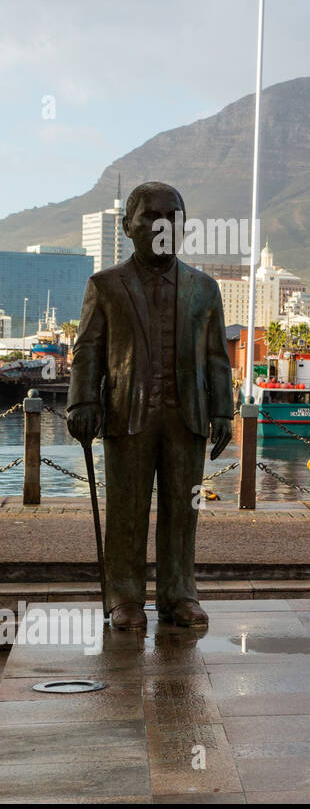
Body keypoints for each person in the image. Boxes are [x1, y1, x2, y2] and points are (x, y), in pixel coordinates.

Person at [67, 181, 233, 630]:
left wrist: (223, 411)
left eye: (173, 216)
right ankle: (124, 597)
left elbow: (218, 356)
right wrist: (82, 400)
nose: (163, 224)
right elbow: (88, 349)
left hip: (188, 415)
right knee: (127, 507)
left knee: (184, 508)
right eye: (151, 215)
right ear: (127, 226)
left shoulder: (204, 289)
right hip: (127, 413)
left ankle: (179, 594)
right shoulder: (105, 286)